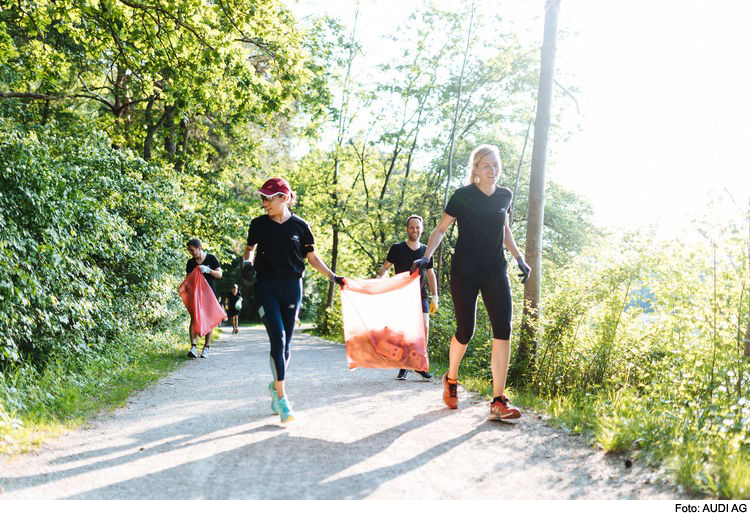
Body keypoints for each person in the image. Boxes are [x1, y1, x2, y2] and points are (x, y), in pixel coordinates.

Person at [412, 144, 531, 420]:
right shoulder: (463, 196)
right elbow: (441, 228)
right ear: (476, 169)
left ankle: (498, 400)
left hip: (495, 270)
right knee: (466, 330)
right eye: (486, 165)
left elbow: (504, 230)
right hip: (464, 272)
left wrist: (519, 258)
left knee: (504, 329)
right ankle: (451, 379)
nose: (493, 170)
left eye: (496, 165)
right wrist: (426, 257)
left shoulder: (505, 195)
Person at [243, 177, 344, 423]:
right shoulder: (258, 224)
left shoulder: (301, 227)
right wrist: (247, 263)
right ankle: (283, 400)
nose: (264, 202)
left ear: (284, 198)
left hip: (292, 288)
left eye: (268, 198)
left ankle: (276, 384)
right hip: (266, 286)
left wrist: (334, 277)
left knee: (286, 346)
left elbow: (312, 257)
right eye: (263, 198)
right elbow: (250, 248)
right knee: (277, 339)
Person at [376, 215, 438, 381]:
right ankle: (404, 365)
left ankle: (419, 365)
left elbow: (431, 275)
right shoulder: (397, 248)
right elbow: (386, 267)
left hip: (421, 295)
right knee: (404, 332)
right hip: (401, 296)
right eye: (412, 227)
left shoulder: (427, 250)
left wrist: (435, 296)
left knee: (424, 328)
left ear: (421, 229)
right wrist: (381, 279)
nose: (415, 230)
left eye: (417, 227)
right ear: (406, 229)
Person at [185, 238, 223, 358]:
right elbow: (188, 280)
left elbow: (220, 275)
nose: (191, 253)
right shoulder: (190, 263)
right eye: (189, 251)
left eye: (192, 250)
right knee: (194, 318)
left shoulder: (211, 258)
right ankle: (193, 347)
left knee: (209, 320)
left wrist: (208, 270)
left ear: (199, 248)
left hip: (210, 294)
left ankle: (206, 347)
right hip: (196, 295)